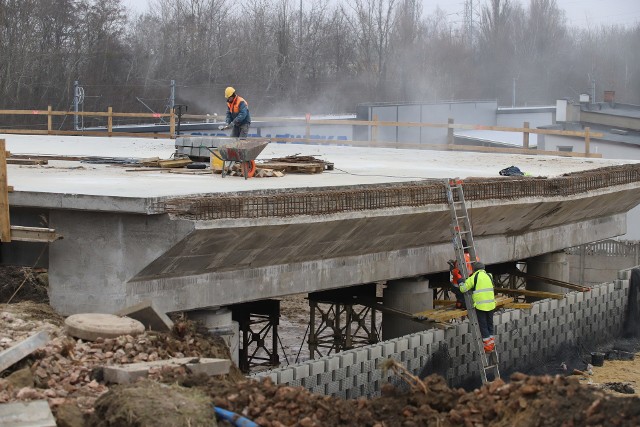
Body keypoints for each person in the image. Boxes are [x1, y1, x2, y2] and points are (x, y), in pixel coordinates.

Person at [457, 261, 496, 353]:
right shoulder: (489, 276)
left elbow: (463, 289)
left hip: (481, 306)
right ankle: (491, 344)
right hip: (491, 305)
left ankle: (488, 347)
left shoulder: (474, 277)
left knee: (483, 326)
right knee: (490, 325)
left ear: (475, 270)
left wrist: (460, 282)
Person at [448, 240, 476, 309]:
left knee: (454, 286)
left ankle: (461, 303)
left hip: (461, 285)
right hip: (472, 284)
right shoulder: (474, 257)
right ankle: (463, 302)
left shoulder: (461, 259)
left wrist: (452, 267)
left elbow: (456, 272)